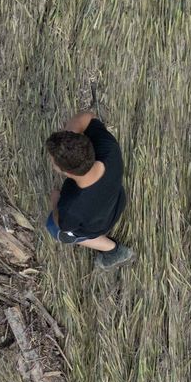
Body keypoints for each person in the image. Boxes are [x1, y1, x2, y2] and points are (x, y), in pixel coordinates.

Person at [44, 111, 135, 270]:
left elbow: (63, 225)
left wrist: (55, 200)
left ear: (68, 173)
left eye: (54, 163)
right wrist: (69, 139)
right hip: (117, 201)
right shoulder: (108, 149)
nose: (52, 164)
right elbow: (87, 117)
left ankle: (113, 250)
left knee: (53, 228)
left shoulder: (72, 207)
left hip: (98, 226)